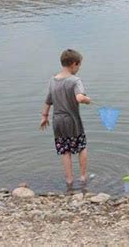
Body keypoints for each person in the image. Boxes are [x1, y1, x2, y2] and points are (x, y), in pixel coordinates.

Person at [40, 49, 91, 193]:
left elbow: (48, 100)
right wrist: (87, 100)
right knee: (81, 146)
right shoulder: (75, 80)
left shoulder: (53, 80)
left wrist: (44, 116)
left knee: (65, 150)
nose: (79, 69)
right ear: (74, 64)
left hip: (57, 121)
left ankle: (69, 180)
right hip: (72, 121)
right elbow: (79, 98)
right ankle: (82, 177)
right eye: (79, 66)